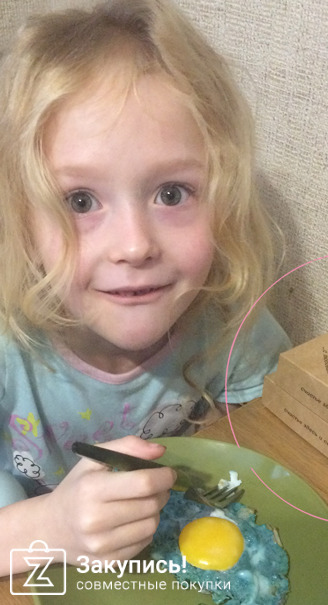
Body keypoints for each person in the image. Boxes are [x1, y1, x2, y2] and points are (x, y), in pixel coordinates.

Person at [0, 0, 290, 575]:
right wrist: (47, 527)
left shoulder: (228, 319)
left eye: (172, 193)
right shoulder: (12, 346)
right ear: (20, 219)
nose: (134, 246)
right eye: (80, 201)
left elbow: (274, 441)